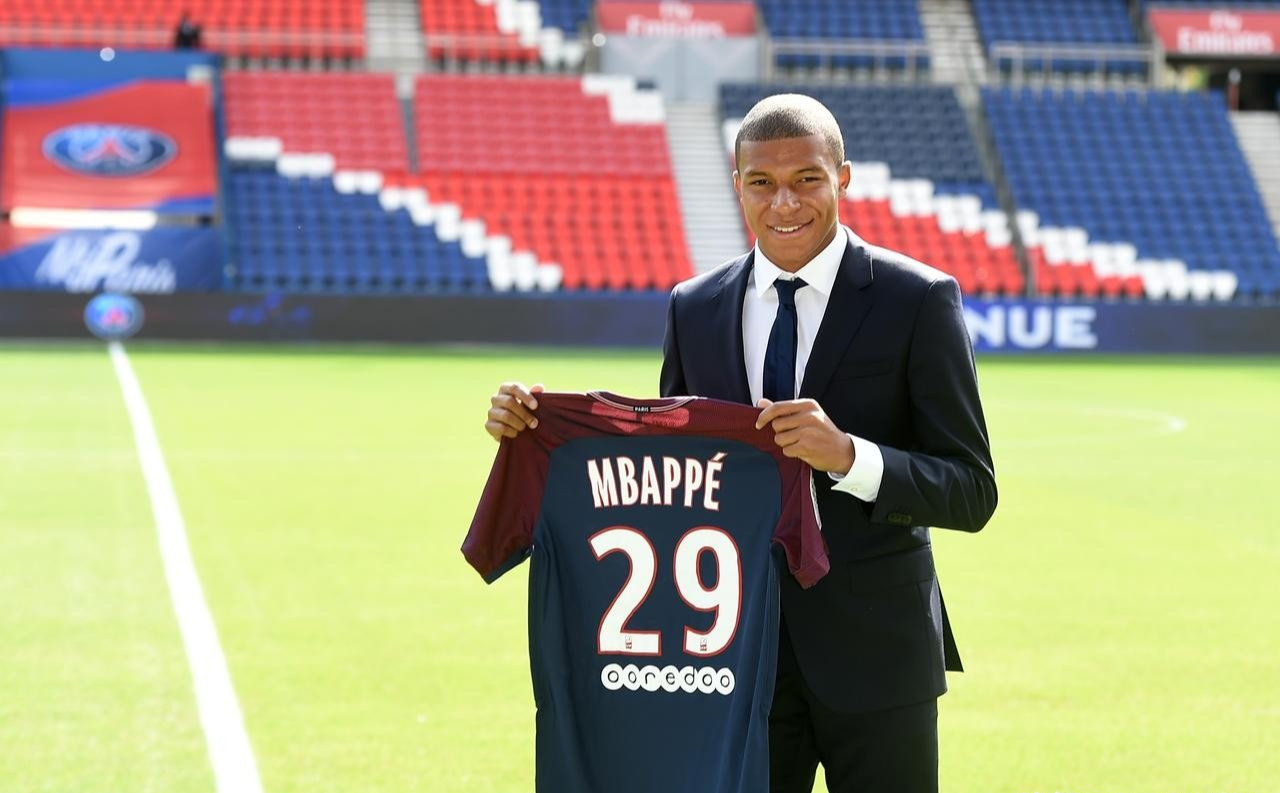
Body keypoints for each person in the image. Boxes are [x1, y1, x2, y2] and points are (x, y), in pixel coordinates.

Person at [484, 93, 997, 792]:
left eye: (807, 179)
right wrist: (536, 428)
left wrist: (849, 457)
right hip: (729, 663)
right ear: (738, 187)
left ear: (843, 178)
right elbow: (669, 476)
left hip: (879, 656)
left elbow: (971, 489)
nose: (785, 203)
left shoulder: (918, 299)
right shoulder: (694, 307)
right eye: (763, 182)